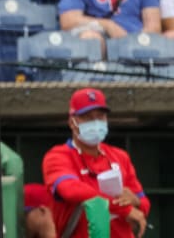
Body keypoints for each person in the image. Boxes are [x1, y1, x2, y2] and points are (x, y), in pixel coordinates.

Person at [42, 88, 150, 238]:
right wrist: (122, 208)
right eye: (88, 118)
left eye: (100, 117)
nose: (95, 122)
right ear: (72, 122)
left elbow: (144, 204)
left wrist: (135, 201)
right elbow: (71, 191)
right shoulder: (58, 156)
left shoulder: (120, 156)